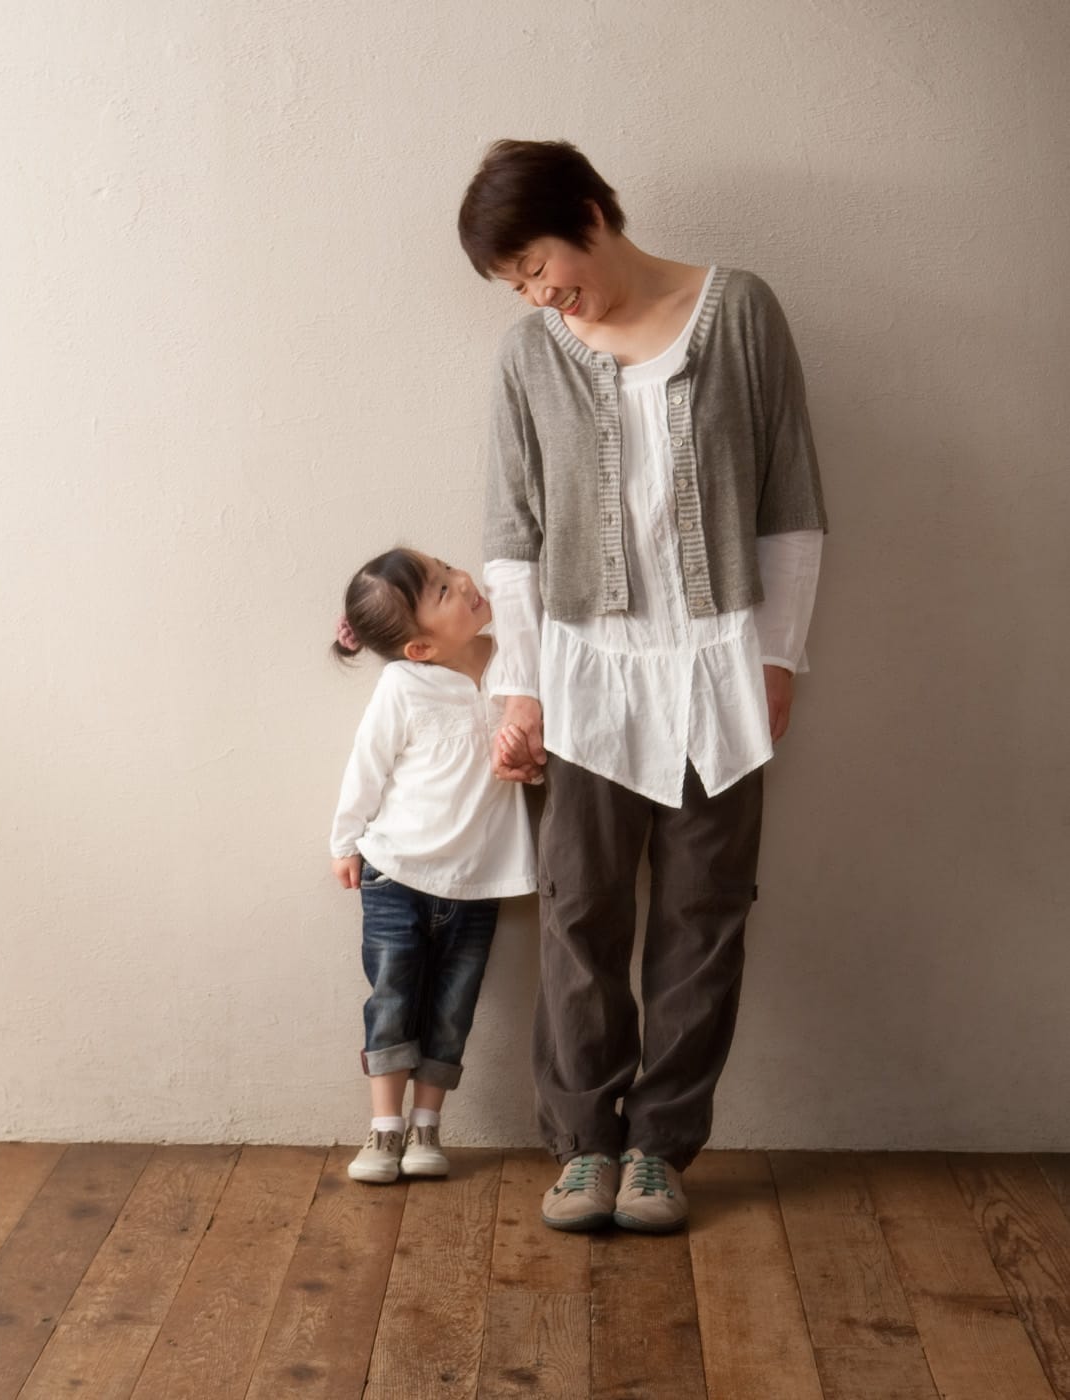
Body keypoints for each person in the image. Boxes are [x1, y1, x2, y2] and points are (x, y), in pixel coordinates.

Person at [458, 140, 828, 1233]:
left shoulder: (740, 311)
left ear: (587, 210)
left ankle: (660, 1147)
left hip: (716, 655)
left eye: (536, 263)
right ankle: (583, 1144)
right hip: (581, 667)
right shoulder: (527, 356)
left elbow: (790, 497)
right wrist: (516, 689)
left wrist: (777, 657)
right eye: (517, 282)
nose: (537, 291)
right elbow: (511, 537)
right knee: (580, 909)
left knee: (703, 913)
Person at [330, 547, 537, 1184]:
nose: (466, 581)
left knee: (454, 1005)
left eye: (450, 570)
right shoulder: (404, 685)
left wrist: (531, 755)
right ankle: (385, 1129)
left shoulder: (515, 662)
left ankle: (427, 1126)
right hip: (395, 871)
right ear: (419, 648)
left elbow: (540, 750)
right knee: (392, 997)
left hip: (478, 880)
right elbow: (370, 764)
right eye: (444, 590)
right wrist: (345, 841)